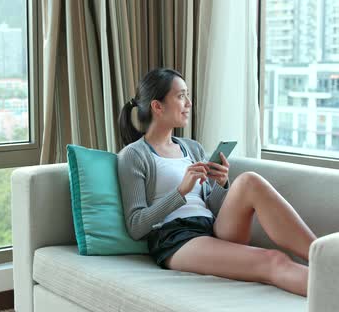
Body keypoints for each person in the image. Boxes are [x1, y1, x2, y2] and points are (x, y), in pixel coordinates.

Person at [116, 68, 317, 297]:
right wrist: (181, 191)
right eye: (181, 96)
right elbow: (136, 226)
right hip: (176, 238)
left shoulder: (192, 148)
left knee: (249, 181)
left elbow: (213, 208)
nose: (189, 103)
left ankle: (323, 255)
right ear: (157, 106)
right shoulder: (134, 155)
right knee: (273, 259)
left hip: (211, 227)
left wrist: (221, 184)